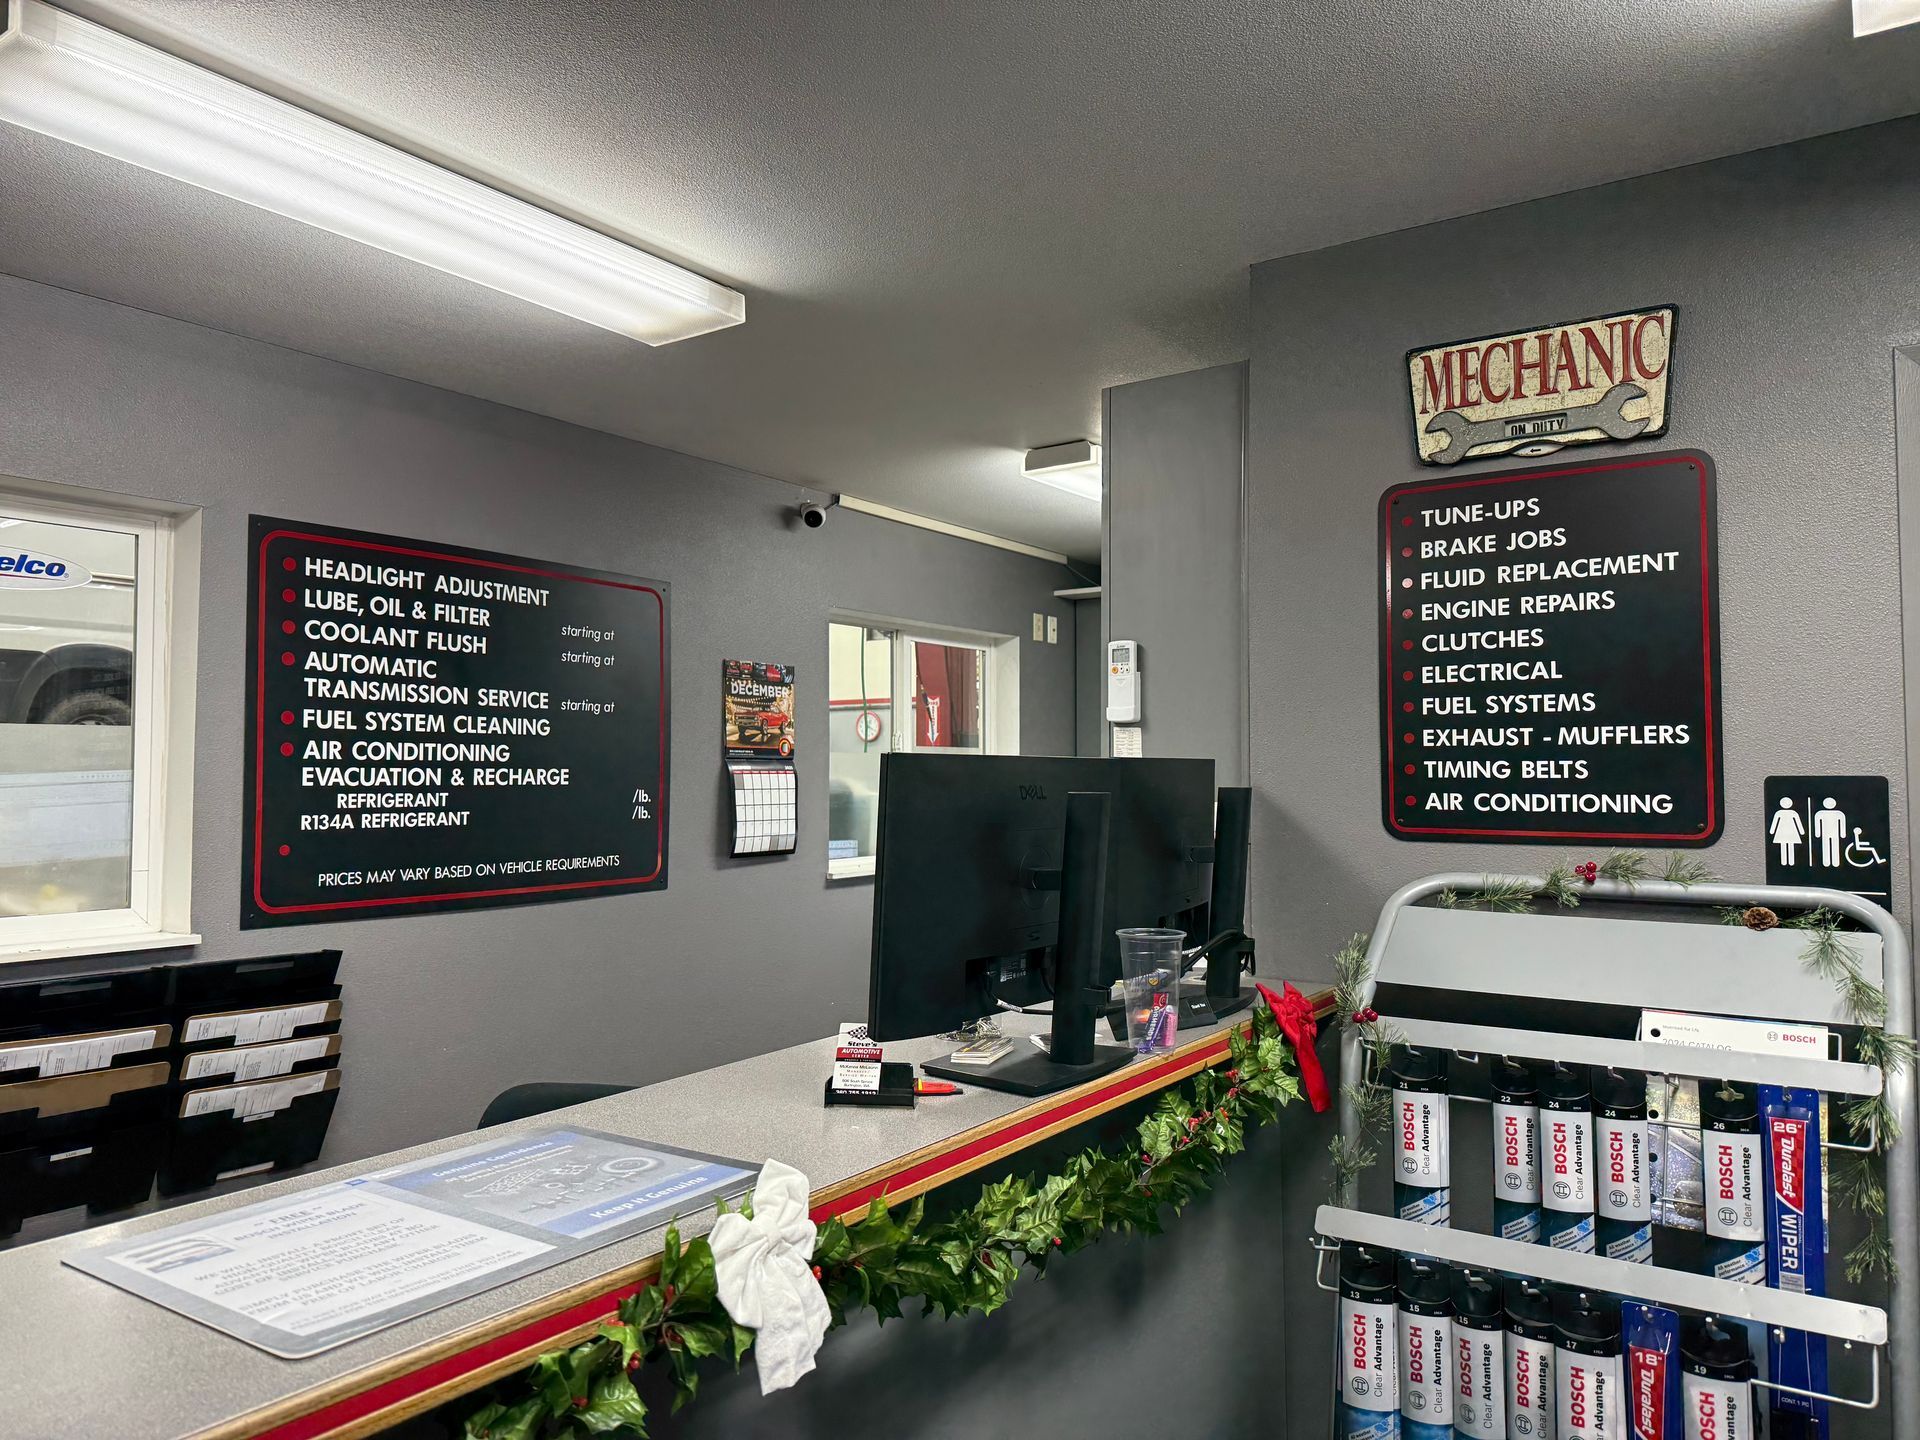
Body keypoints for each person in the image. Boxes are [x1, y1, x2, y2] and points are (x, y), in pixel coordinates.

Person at [1769, 797, 1804, 868]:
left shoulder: (1781, 813)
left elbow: (1798, 822)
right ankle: (1788, 862)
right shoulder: (1790, 813)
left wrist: (1772, 831)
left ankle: (1787, 861)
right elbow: (1775, 822)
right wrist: (1801, 832)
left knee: (1786, 846)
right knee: (1786, 846)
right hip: (1788, 832)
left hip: (1785, 832)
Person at [1814, 797, 1846, 869]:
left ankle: (1834, 862)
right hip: (1826, 833)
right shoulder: (1820, 813)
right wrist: (1818, 833)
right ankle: (1827, 862)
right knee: (1827, 846)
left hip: (1833, 833)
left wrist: (1842, 833)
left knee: (1833, 846)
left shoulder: (1838, 814)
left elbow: (1842, 824)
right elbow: (1817, 823)